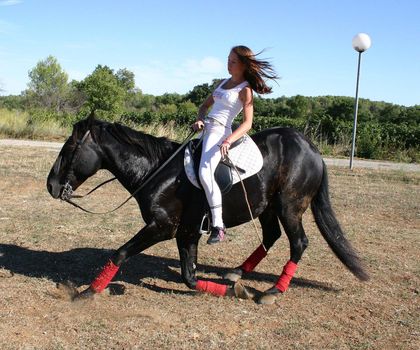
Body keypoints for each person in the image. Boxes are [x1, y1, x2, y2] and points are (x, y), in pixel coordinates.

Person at [191, 45, 278, 244]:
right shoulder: (222, 83)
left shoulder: (245, 90)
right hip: (206, 130)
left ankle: (218, 225)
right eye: (228, 59)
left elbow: (248, 123)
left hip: (221, 132)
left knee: (205, 172)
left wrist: (228, 140)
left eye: (233, 61)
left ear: (244, 65)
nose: (228, 64)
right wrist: (200, 119)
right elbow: (204, 106)